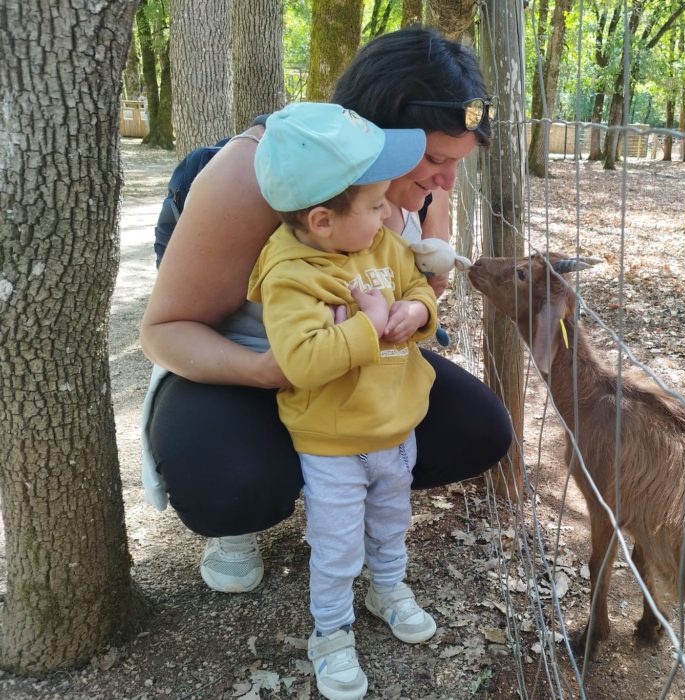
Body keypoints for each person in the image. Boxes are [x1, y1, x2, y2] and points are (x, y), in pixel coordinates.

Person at [139, 27, 513, 597]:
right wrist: (268, 370)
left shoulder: (417, 180)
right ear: (372, 132)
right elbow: (164, 331)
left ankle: (344, 482)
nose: (446, 181)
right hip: (252, 362)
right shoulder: (255, 175)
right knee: (233, 486)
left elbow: (422, 283)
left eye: (457, 163)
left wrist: (420, 298)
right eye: (435, 160)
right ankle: (251, 502)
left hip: (353, 364)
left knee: (481, 431)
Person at [249, 101, 437, 700]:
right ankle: (330, 633)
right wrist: (369, 326)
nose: (389, 217)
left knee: (391, 525)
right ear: (323, 220)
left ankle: (388, 588)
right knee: (336, 548)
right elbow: (300, 360)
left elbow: (412, 283)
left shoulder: (381, 244)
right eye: (377, 205)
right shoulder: (289, 273)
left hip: (394, 430)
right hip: (332, 445)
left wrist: (416, 309)